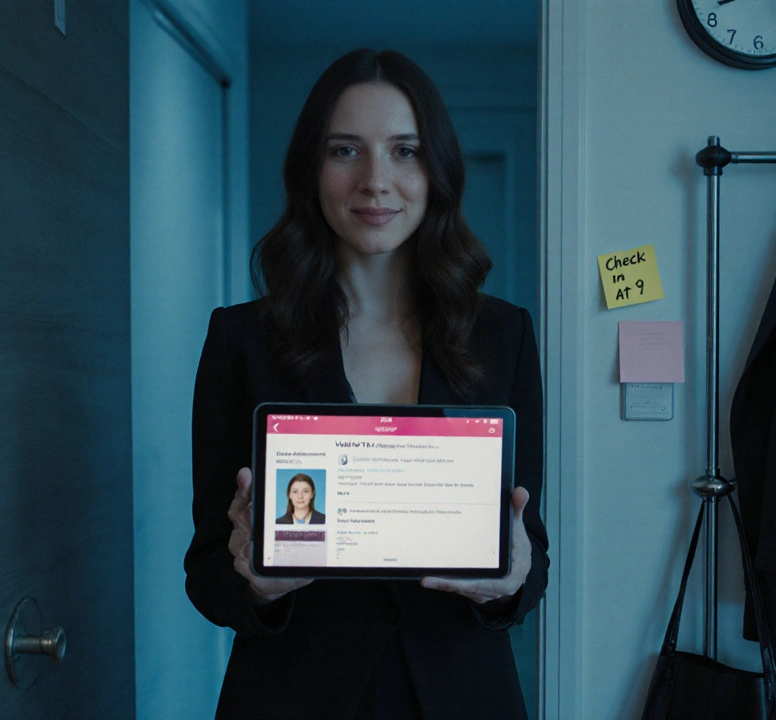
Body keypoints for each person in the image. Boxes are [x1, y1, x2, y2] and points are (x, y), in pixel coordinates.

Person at [184, 48, 549, 719]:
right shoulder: (239, 340)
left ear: (436, 169)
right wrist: (256, 587)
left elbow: (529, 556)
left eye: (405, 151)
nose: (376, 180)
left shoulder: (505, 336)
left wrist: (513, 580)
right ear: (311, 170)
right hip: (292, 696)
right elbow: (208, 572)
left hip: (460, 696)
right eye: (346, 151)